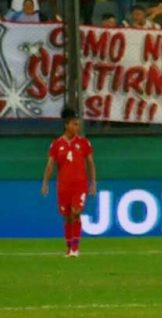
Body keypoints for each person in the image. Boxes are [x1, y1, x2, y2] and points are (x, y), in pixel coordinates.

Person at [41, 108, 97, 258]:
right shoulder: (56, 144)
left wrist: (93, 183)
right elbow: (50, 165)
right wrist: (45, 183)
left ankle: (75, 248)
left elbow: (90, 163)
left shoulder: (84, 143)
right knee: (67, 216)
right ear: (67, 125)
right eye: (74, 124)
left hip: (80, 184)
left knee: (76, 213)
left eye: (78, 124)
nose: (77, 127)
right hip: (63, 186)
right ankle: (68, 247)